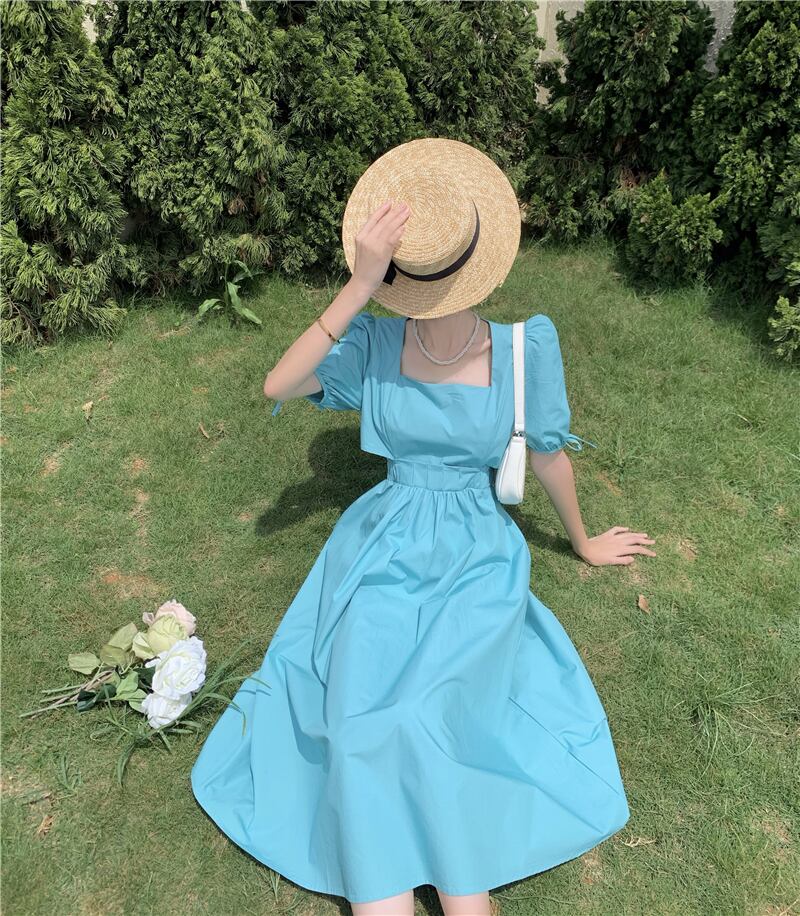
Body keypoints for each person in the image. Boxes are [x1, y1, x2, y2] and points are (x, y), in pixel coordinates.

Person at [191, 139, 656, 916]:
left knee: (426, 714)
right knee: (359, 721)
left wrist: (582, 540)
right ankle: (403, 887)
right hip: (382, 544)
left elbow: (546, 456)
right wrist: (357, 288)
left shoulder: (522, 350)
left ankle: (459, 888)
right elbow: (280, 383)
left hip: (477, 556)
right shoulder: (374, 344)